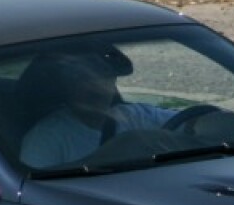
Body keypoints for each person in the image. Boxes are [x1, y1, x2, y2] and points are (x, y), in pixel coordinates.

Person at [19, 51, 173, 167]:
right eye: (81, 78)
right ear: (66, 86)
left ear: (114, 83)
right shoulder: (45, 139)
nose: (93, 86)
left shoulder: (139, 116)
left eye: (101, 75)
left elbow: (191, 122)